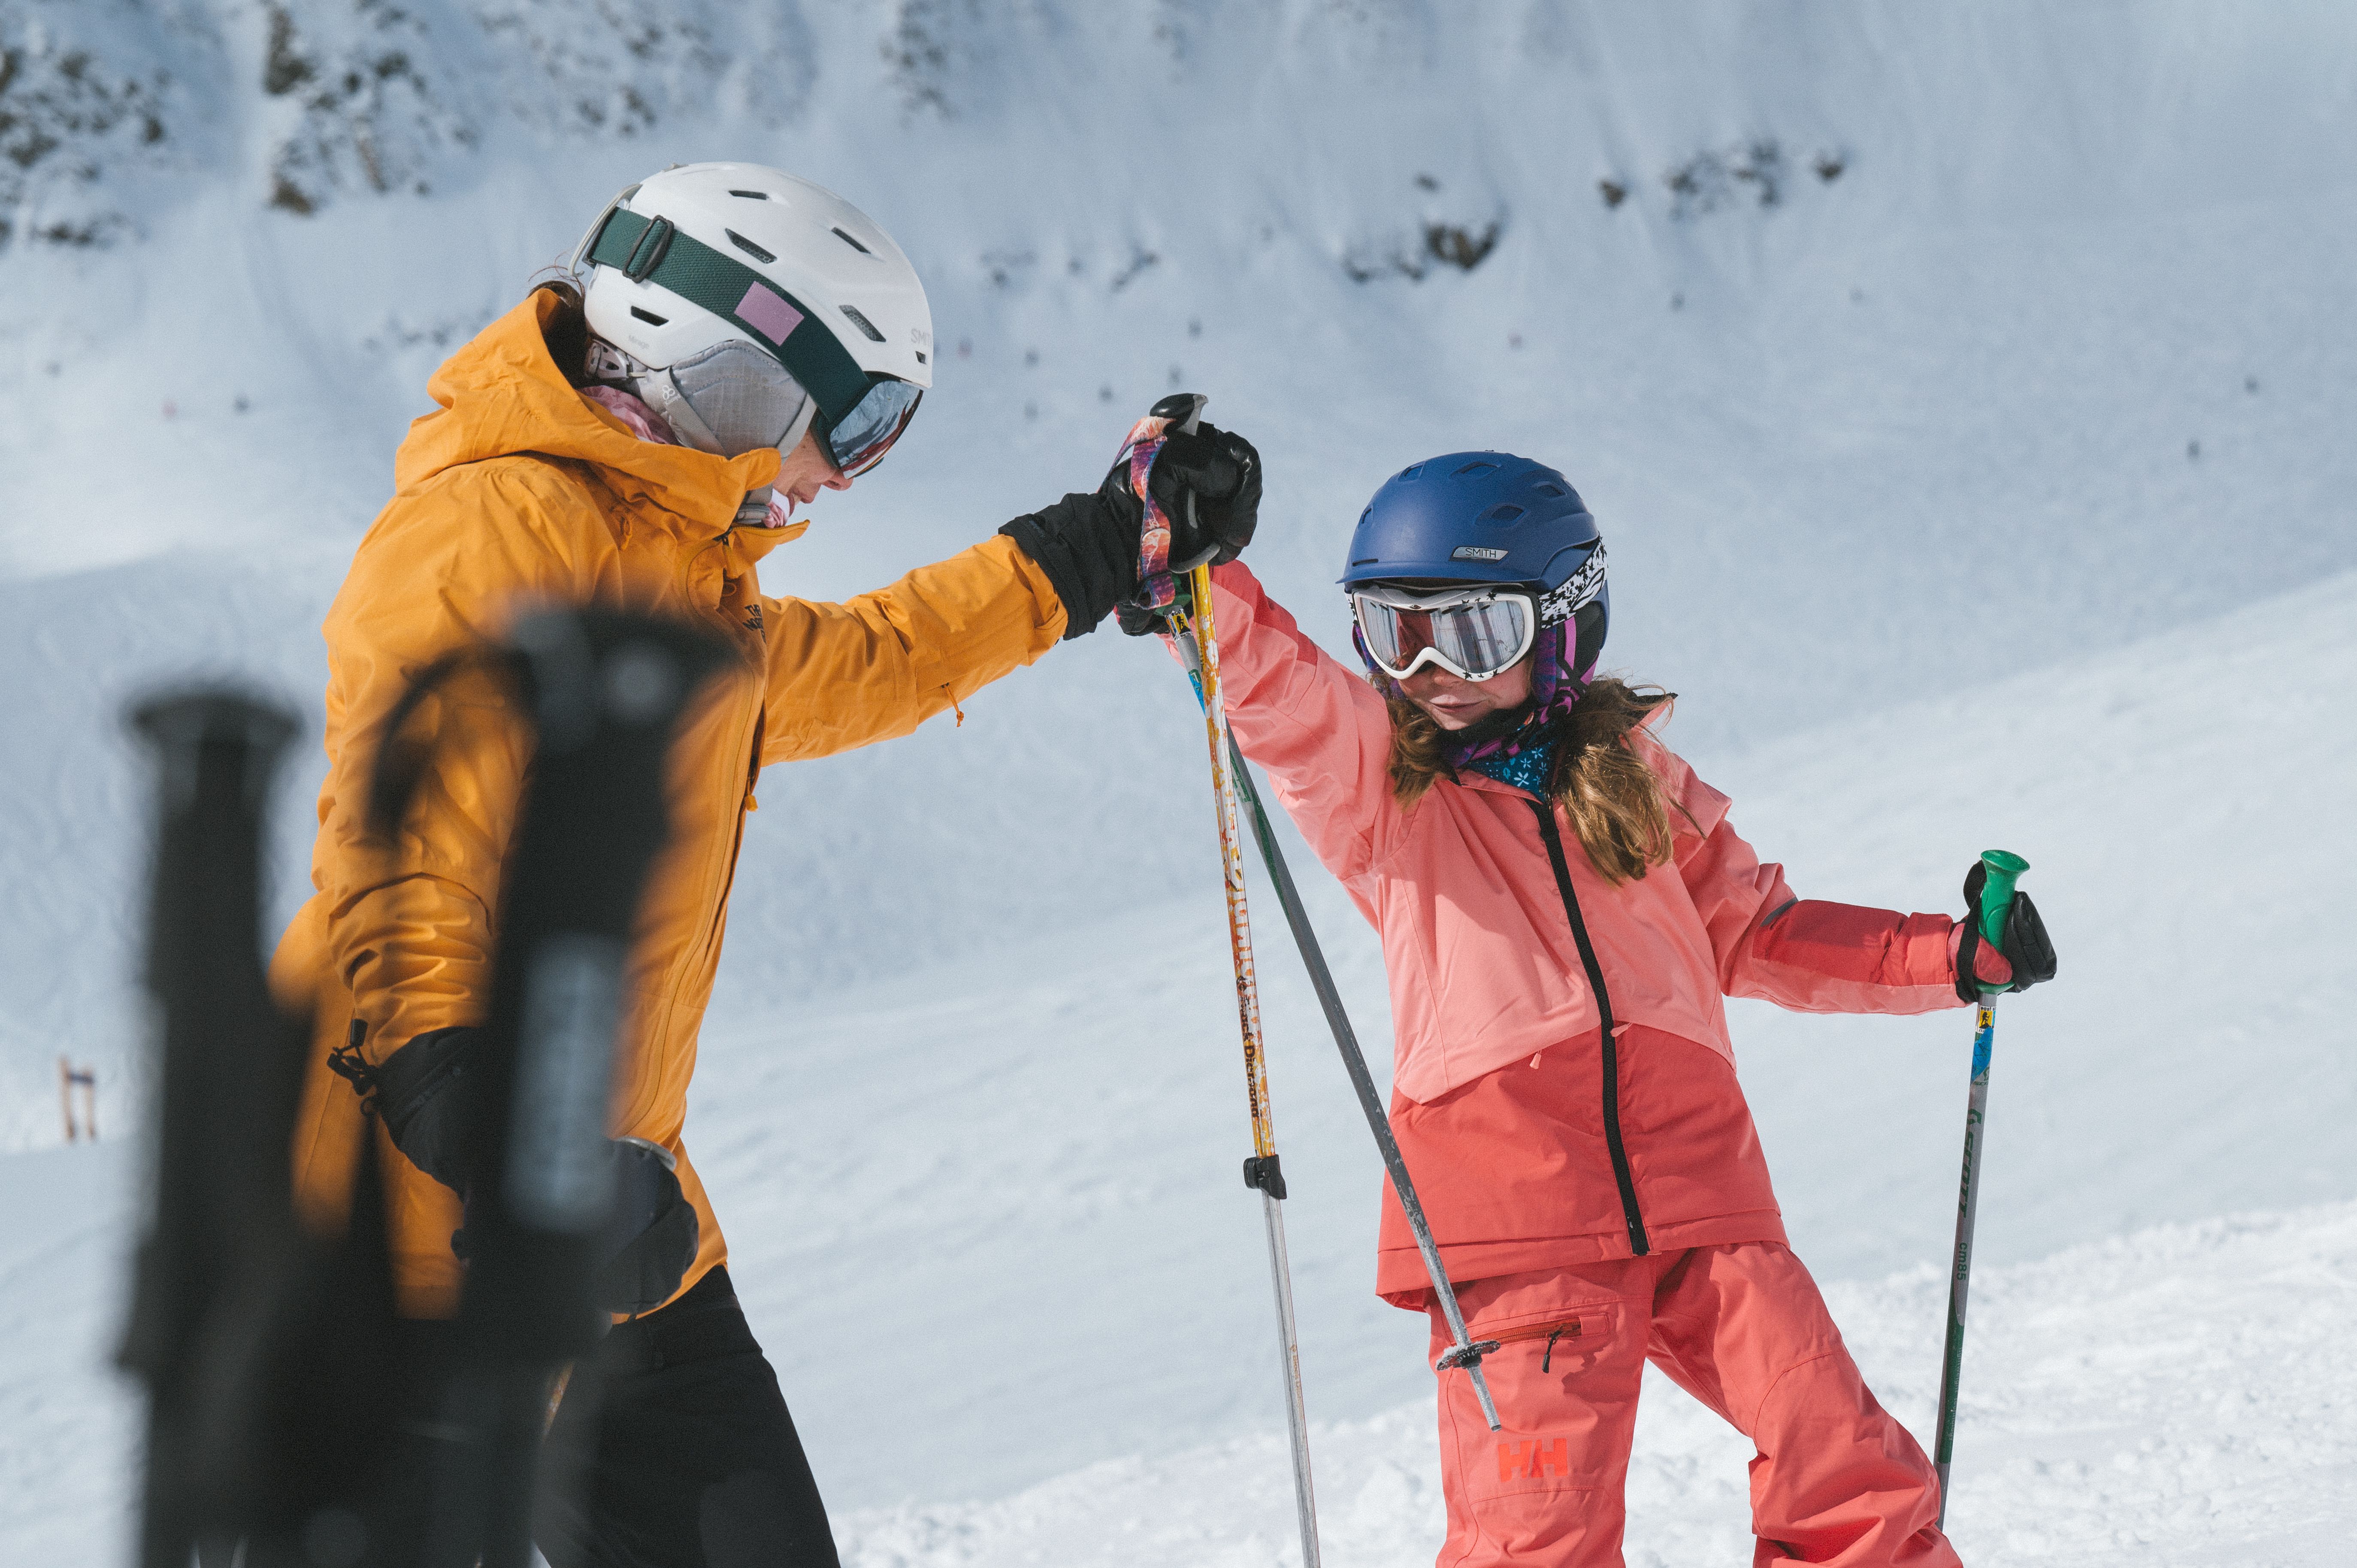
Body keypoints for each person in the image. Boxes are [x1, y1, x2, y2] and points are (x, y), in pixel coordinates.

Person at [267, 160, 1260, 1567]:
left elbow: (863, 664)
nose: (848, 471)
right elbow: (401, 871)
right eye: (851, 421)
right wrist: (496, 1140)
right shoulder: (487, 531)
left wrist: (1097, 547)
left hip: (616, 1213)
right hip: (404, 1244)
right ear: (725, 370)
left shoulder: (674, 565)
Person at [1183, 452, 2055, 1566]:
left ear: (1562, 628)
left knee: (1850, 1471)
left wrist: (1950, 955)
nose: (1433, 671)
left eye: (1474, 633)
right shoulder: (1386, 787)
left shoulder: (1639, 785)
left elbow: (1760, 929)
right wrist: (1197, 567)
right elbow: (1280, 691)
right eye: (1394, 635)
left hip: (1703, 1197)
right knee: (1537, 1536)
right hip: (1517, 1221)